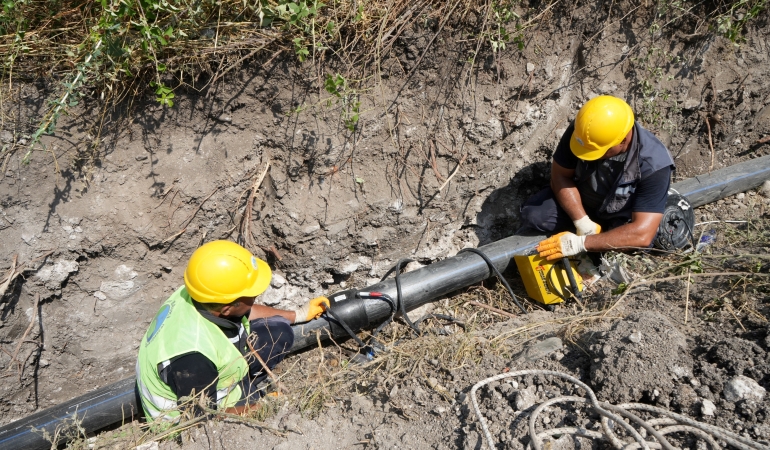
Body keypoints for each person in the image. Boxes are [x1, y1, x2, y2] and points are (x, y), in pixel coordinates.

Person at [136, 240, 329, 421]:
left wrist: (299, 314)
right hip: (192, 423)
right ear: (227, 309)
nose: (256, 297)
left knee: (278, 332)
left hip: (212, 375)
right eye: (251, 296)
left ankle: (244, 386)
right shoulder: (193, 359)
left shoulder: (200, 292)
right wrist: (263, 407)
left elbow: (246, 310)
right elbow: (201, 419)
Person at [519, 95, 690, 261]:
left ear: (623, 140)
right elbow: (560, 175)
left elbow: (642, 233)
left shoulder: (654, 164)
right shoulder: (585, 134)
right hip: (584, 204)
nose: (591, 156)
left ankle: (595, 244)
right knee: (535, 214)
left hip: (622, 217)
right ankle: (589, 237)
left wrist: (580, 243)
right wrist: (582, 222)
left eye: (599, 152)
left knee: (634, 245)